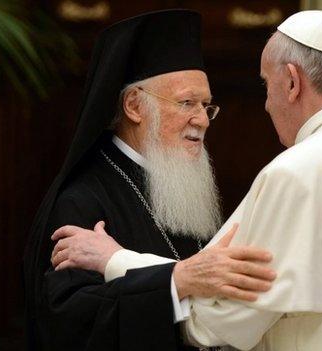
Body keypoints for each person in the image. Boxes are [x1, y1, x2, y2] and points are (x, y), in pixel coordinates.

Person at [51, 9, 322, 351]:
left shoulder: (297, 172)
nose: (267, 105)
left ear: (292, 82)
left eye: (266, 86)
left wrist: (116, 260)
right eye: (187, 103)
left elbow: (217, 323)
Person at [24, 10, 276, 351]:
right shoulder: (82, 201)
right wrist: (174, 283)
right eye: (187, 102)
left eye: (206, 105)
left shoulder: (184, 192)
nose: (202, 120)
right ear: (134, 106)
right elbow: (72, 320)